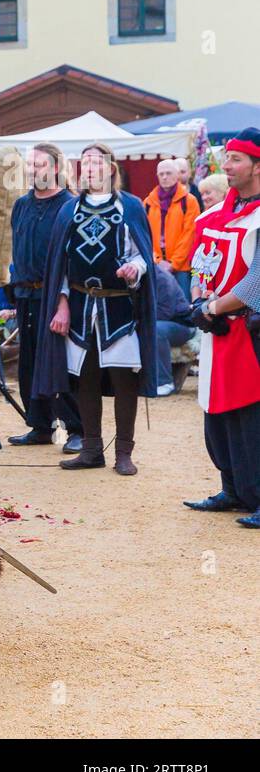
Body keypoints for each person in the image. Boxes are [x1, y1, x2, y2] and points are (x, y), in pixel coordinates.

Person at [35, 143, 158, 476]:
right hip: (78, 306)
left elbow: (142, 255)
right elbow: (60, 264)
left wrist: (135, 269)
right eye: (84, 163)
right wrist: (60, 306)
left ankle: (123, 452)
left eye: (95, 162)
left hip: (118, 308)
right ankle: (91, 449)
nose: (89, 168)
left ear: (110, 169)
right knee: (85, 380)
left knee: (123, 380)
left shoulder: (130, 207)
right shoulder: (70, 211)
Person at [183, 127, 260, 528]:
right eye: (226, 158)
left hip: (252, 332)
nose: (226, 166)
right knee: (217, 411)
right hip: (217, 330)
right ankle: (232, 489)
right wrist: (201, 299)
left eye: (236, 160)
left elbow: (257, 283)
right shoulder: (213, 214)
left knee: (253, 417)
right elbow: (200, 262)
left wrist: (214, 306)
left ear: (257, 165)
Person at [4, 143, 83, 453]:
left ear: (54, 168)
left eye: (38, 164)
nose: (31, 170)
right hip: (25, 293)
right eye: (29, 164)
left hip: (55, 294)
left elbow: (72, 256)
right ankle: (40, 425)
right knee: (29, 362)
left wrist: (64, 300)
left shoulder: (69, 205)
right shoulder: (21, 205)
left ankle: (77, 427)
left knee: (60, 362)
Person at [146, 158, 201, 301]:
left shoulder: (189, 201)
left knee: (183, 308)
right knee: (159, 307)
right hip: (156, 266)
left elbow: (190, 234)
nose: (164, 177)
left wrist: (173, 264)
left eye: (168, 173)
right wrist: (157, 261)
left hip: (180, 267)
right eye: (161, 174)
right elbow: (145, 235)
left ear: (177, 175)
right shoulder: (147, 203)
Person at [152, 261, 193, 397]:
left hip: (182, 326)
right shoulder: (141, 278)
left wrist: (140, 319)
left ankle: (164, 382)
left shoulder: (161, 278)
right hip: (162, 323)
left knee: (156, 330)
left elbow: (165, 312)